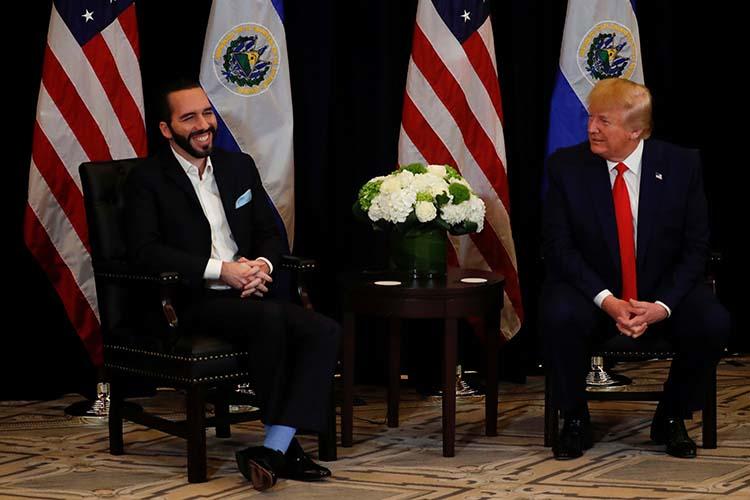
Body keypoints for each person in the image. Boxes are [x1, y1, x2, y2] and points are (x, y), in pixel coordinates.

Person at [124, 79, 340, 490]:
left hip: (249, 294)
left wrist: (260, 265)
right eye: (189, 118)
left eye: (206, 113)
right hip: (189, 299)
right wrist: (221, 270)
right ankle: (285, 451)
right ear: (167, 129)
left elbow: (270, 234)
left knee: (324, 329)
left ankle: (274, 447)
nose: (203, 124)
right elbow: (145, 252)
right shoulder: (147, 178)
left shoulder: (237, 165)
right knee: (272, 320)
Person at [541, 78, 730, 460]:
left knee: (713, 322)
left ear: (635, 130)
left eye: (604, 121)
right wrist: (607, 300)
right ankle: (575, 418)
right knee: (557, 312)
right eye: (591, 117)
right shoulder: (566, 167)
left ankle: (672, 415)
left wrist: (662, 305)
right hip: (592, 292)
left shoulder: (681, 165)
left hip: (661, 290)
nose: (591, 127)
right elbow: (559, 247)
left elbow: (696, 248)